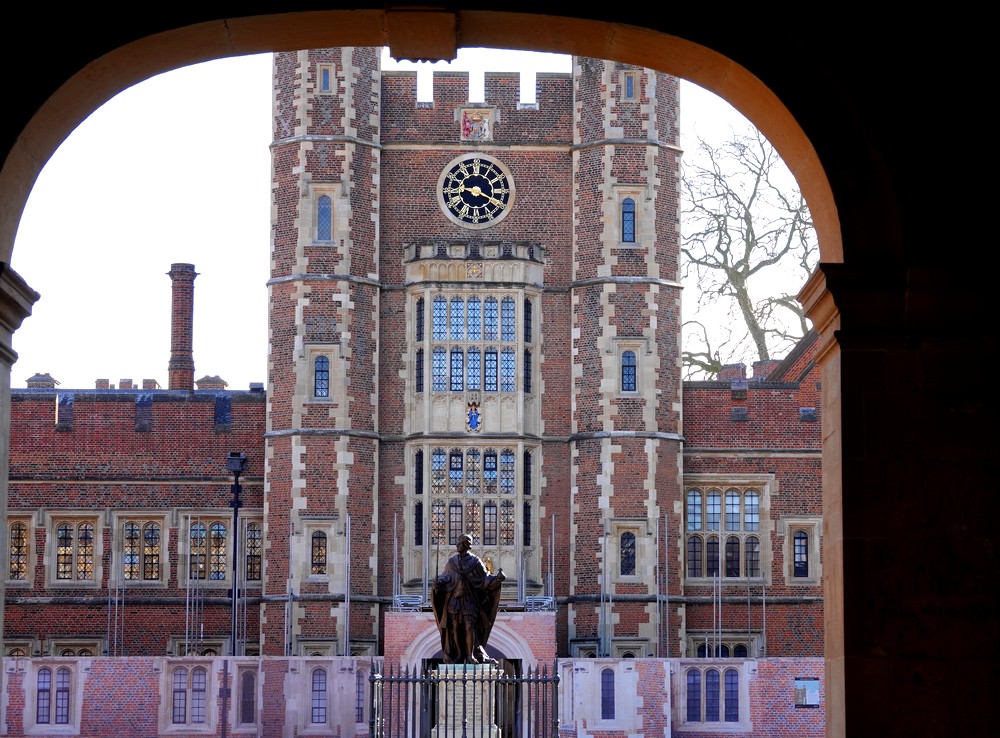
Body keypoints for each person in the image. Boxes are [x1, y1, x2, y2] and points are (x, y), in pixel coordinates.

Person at [431, 534, 506, 664]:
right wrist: (438, 584)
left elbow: (484, 579)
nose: (457, 545)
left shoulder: (475, 562)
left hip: (469, 600)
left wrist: (498, 579)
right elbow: (445, 577)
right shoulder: (452, 562)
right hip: (454, 601)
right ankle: (460, 654)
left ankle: (471, 655)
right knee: (455, 628)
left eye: (460, 543)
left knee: (469, 627)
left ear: (467, 545)